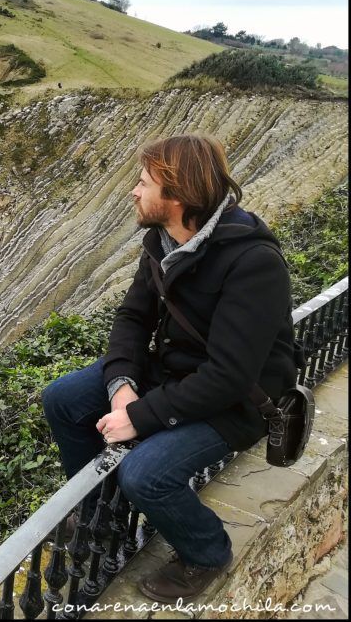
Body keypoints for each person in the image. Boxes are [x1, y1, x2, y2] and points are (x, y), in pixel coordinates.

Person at [41, 133, 297, 602]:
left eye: (143, 183)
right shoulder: (163, 241)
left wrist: (138, 417)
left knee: (147, 474)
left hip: (241, 399)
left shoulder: (254, 263)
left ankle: (206, 553)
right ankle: (103, 510)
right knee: (63, 398)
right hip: (178, 373)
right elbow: (133, 318)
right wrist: (122, 387)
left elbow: (229, 377)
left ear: (176, 196)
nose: (133, 192)